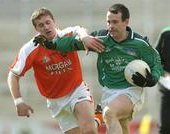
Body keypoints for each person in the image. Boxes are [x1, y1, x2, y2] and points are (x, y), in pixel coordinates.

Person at [35, 3, 163, 134]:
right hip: (109, 91)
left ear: (126, 22)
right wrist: (51, 44)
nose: (111, 26)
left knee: (109, 113)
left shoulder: (139, 43)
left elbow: (156, 61)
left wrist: (152, 79)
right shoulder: (101, 39)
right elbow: (73, 42)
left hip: (130, 90)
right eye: (108, 22)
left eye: (115, 22)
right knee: (121, 125)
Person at [7, 7, 104, 134]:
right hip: (56, 101)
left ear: (54, 22)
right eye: (41, 25)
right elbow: (13, 75)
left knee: (89, 131)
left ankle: (94, 122)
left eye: (48, 22)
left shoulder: (65, 35)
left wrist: (84, 36)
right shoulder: (30, 49)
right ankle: (97, 119)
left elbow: (78, 29)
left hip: (77, 90)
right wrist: (18, 101)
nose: (46, 27)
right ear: (36, 29)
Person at [156, 26, 170, 134]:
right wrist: (165, 75)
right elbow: (155, 61)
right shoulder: (166, 34)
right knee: (166, 127)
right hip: (167, 90)